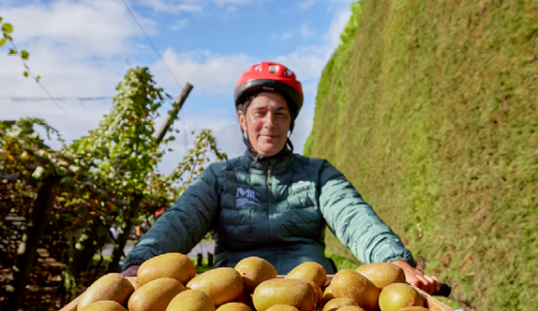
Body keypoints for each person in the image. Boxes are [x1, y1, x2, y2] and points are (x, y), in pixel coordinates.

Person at [121, 62, 440, 294]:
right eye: (260, 112)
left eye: (280, 113)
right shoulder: (219, 178)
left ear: (290, 122)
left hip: (314, 293)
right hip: (235, 296)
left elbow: (354, 216)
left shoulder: (318, 174)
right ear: (242, 119)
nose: (269, 123)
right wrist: (141, 261)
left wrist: (393, 260)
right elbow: (180, 220)